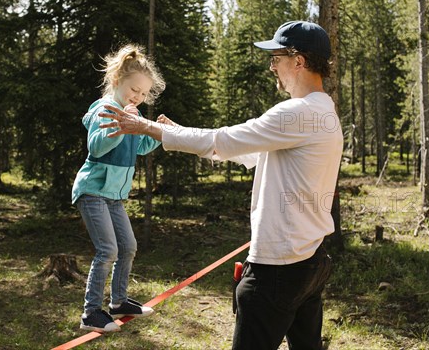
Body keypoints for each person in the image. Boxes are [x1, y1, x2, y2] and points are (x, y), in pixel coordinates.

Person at [99, 21, 343, 349]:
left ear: (298, 61)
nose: (272, 66)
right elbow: (245, 152)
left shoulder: (296, 113)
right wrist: (181, 132)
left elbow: (221, 140)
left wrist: (145, 127)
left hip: (277, 270)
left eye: (276, 58)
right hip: (310, 263)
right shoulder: (323, 112)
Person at [71, 44, 166, 333]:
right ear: (116, 82)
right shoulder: (106, 109)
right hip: (93, 190)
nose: (137, 96)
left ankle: (119, 302)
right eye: (133, 89)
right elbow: (96, 145)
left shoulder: (130, 114)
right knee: (108, 250)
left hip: (113, 196)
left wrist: (158, 132)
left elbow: (140, 146)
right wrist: (121, 128)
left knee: (128, 247)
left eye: (143, 93)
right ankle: (91, 313)